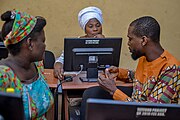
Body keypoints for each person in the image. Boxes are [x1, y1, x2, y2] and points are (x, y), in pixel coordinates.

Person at [80, 16, 180, 119]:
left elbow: (151, 113)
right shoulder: (145, 58)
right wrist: (119, 72)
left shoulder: (171, 69)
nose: (128, 43)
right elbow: (142, 78)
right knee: (91, 93)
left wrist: (113, 91)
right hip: (134, 104)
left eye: (130, 39)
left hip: (145, 115)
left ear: (144, 40)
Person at [0, 10, 54, 119]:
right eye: (43, 41)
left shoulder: (37, 65)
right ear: (30, 43)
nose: (44, 45)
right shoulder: (3, 76)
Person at [54, 6, 105, 79]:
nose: (95, 29)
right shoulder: (76, 42)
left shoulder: (107, 43)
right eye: (90, 26)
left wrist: (102, 43)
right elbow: (61, 59)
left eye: (98, 25)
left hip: (100, 80)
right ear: (85, 29)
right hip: (77, 79)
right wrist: (58, 65)